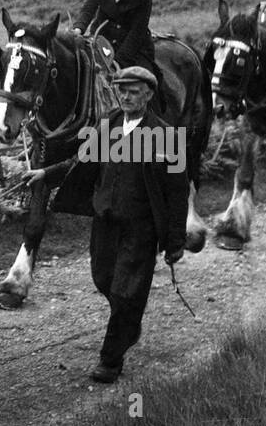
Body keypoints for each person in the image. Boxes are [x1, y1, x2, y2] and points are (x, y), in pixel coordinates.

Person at [23, 66, 188, 384]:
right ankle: (129, 321)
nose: (126, 96)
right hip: (105, 223)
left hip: (141, 229)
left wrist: (175, 241)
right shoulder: (108, 125)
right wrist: (45, 174)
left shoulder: (167, 136)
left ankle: (110, 360)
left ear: (149, 94)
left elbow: (177, 193)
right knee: (103, 279)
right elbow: (79, 161)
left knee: (126, 292)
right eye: (121, 90)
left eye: (134, 91)